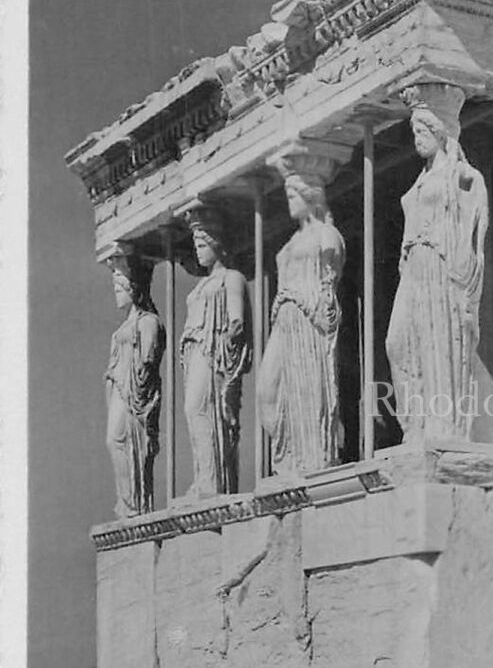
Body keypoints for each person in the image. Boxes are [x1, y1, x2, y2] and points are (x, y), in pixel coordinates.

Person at [386, 84, 488, 444]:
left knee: (436, 341)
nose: (416, 139)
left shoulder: (463, 177)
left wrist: (460, 283)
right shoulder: (421, 179)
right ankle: (415, 424)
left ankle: (440, 427)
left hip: (440, 267)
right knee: (397, 342)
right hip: (413, 268)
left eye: (421, 131)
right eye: (413, 131)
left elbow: (475, 241)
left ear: (439, 131)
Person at [257, 158, 345, 476]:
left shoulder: (327, 234)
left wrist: (323, 301)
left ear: (310, 196)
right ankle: (289, 459)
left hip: (308, 321)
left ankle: (311, 459)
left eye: (294, 195)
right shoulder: (292, 241)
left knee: (309, 390)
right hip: (285, 319)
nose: (289, 202)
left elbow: (329, 277)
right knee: (267, 391)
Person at [180, 207, 251, 498]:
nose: (198, 252)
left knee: (201, 410)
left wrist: (226, 345)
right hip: (195, 350)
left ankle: (213, 482)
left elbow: (237, 320)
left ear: (215, 243)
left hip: (213, 353)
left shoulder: (231, 278)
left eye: (201, 245)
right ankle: (203, 477)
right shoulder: (200, 285)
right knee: (193, 412)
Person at [104, 251, 165, 517]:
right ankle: (126, 501)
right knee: (114, 441)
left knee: (122, 440)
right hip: (118, 388)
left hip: (134, 394)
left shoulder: (148, 321)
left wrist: (138, 375)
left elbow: (149, 361)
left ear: (134, 287)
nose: (117, 292)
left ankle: (135, 503)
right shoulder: (121, 329)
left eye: (121, 287)